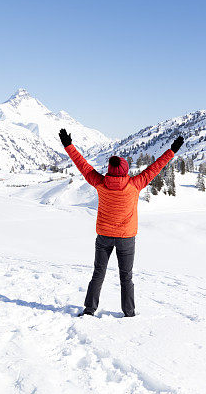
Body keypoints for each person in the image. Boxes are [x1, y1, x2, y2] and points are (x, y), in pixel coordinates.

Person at [59, 128, 183, 317]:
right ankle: (129, 312)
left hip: (104, 236)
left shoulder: (100, 182)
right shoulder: (135, 184)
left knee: (98, 274)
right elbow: (156, 167)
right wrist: (172, 150)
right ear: (125, 170)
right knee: (126, 277)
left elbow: (82, 165)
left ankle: (89, 310)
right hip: (126, 238)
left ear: (110, 170)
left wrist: (68, 145)